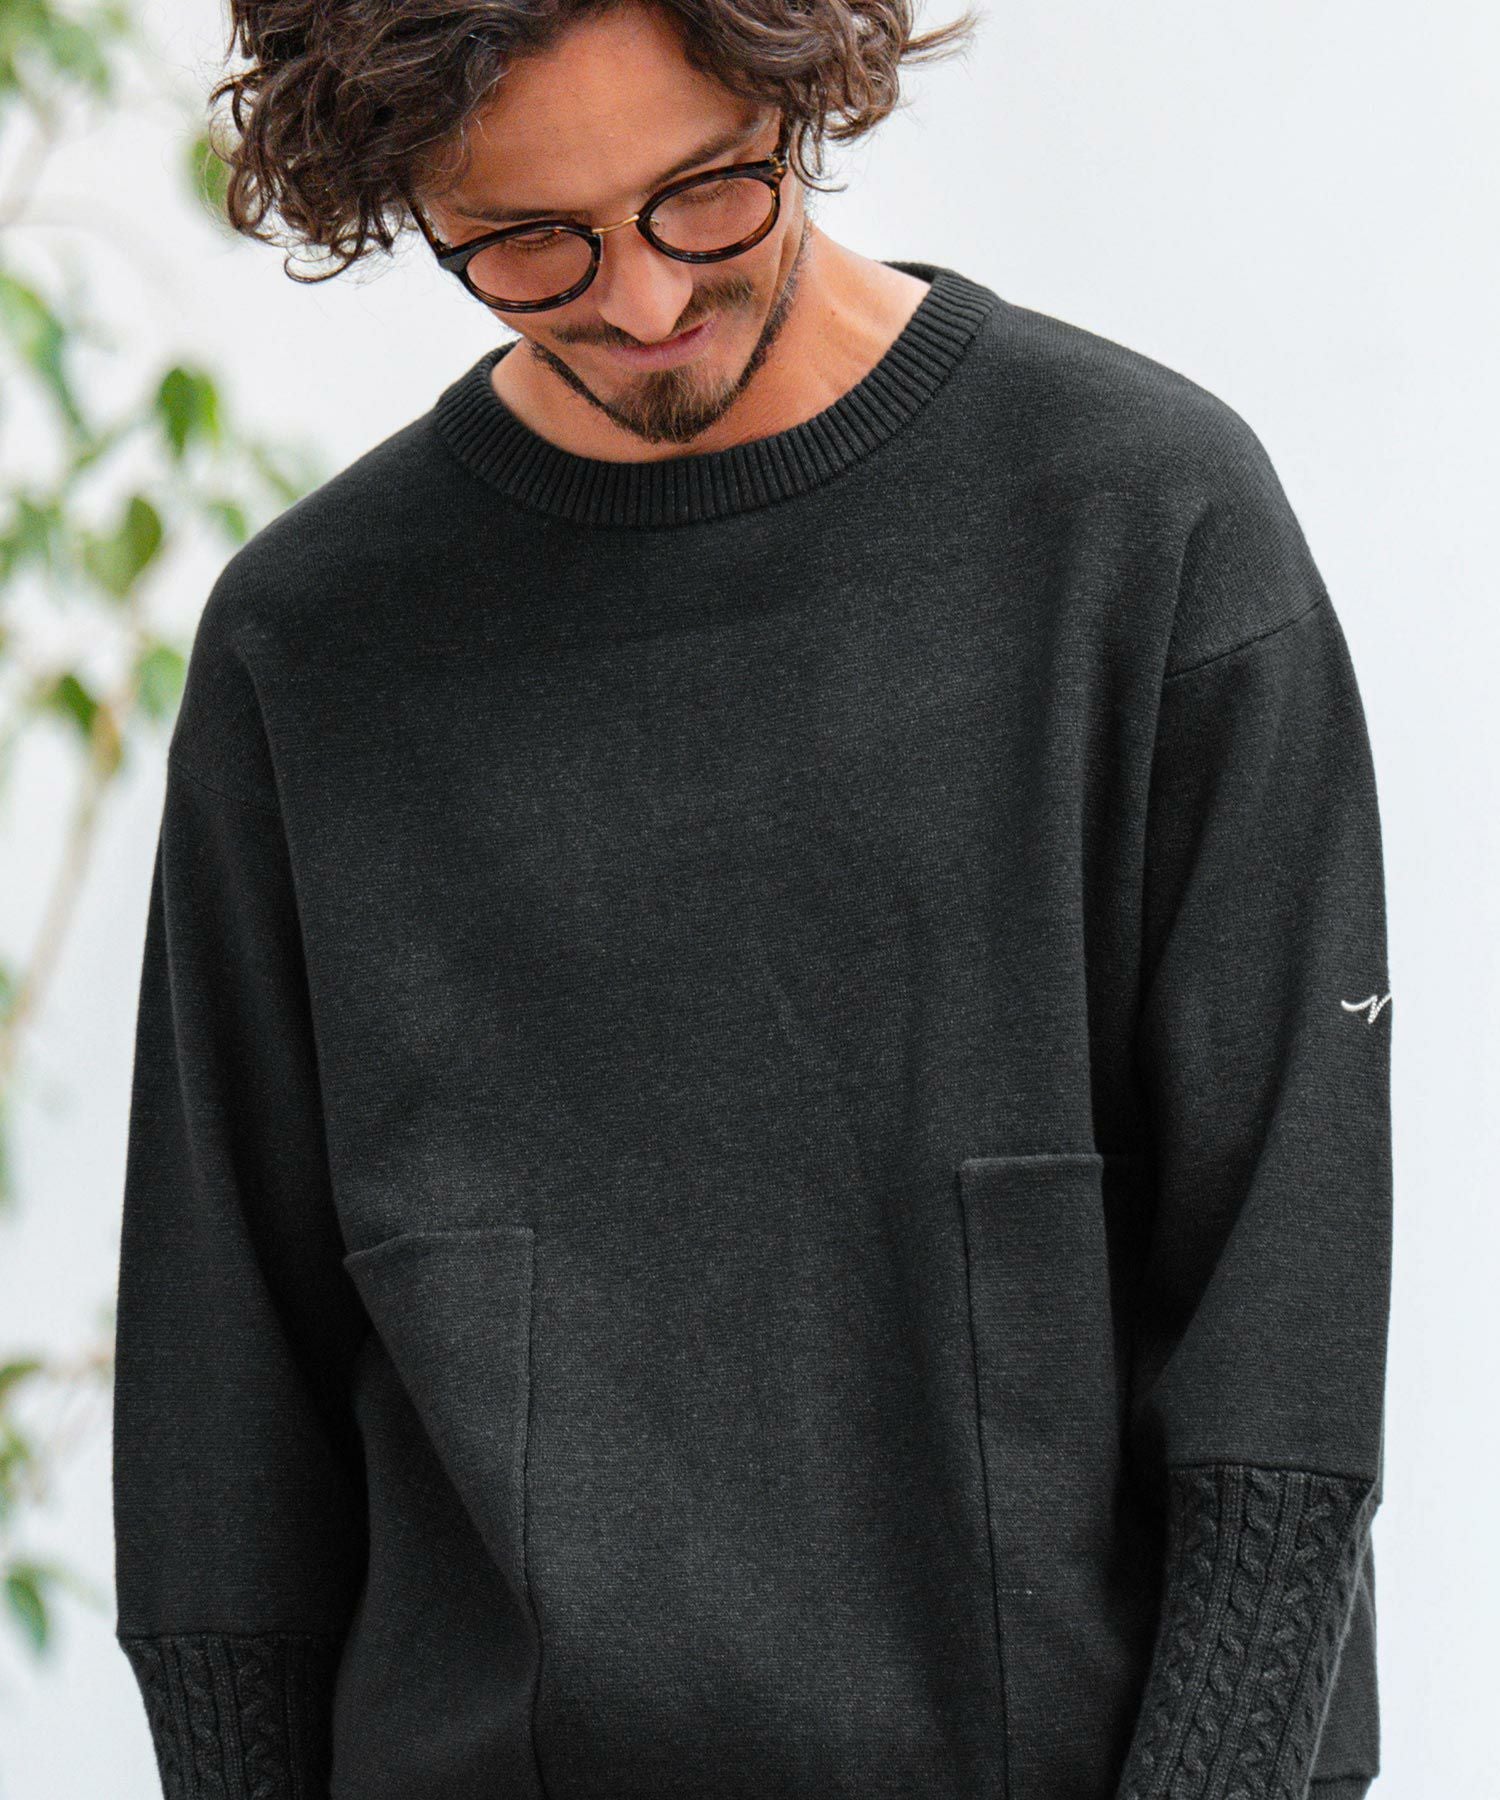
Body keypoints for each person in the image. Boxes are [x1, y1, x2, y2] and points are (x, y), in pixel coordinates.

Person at [109, 2, 1393, 1797]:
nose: (643, 301)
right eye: (529, 242)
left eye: (705, 193)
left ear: (792, 82)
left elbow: (1283, 1324)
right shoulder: (313, 651)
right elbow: (221, 1409)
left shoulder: (1143, 526)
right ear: (403, 197)